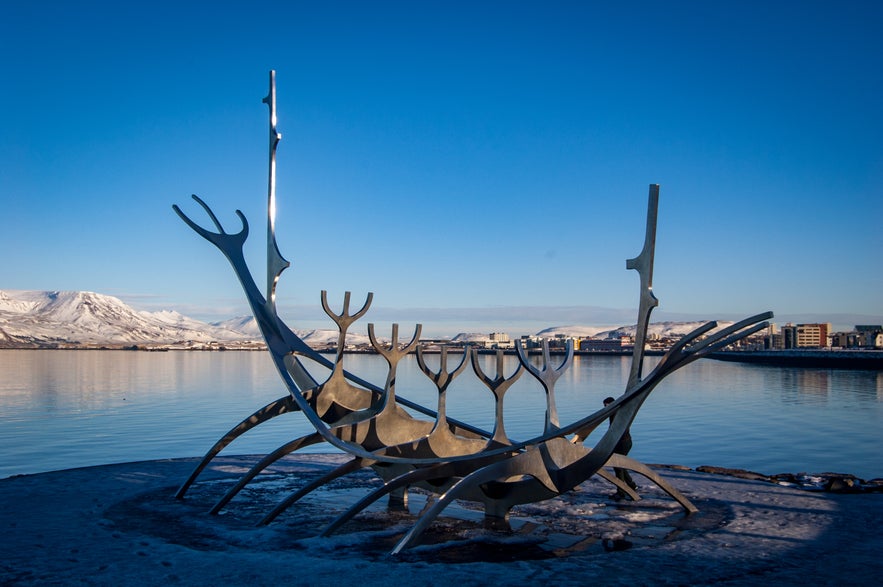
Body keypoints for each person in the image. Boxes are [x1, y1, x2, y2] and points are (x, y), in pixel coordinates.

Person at [603, 396, 639, 500]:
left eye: (606, 405)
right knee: (620, 465)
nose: (605, 408)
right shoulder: (617, 412)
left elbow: (615, 429)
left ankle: (621, 492)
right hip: (624, 442)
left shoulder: (616, 413)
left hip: (622, 443)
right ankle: (632, 485)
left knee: (618, 466)